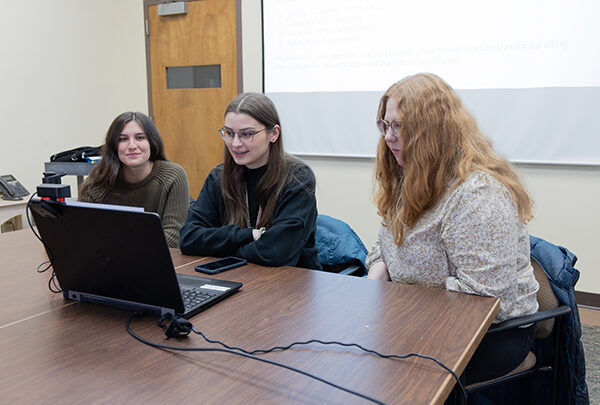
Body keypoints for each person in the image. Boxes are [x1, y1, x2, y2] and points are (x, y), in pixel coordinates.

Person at [366, 73, 539, 384]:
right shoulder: (411, 178)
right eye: (385, 125)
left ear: (431, 131)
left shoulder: (477, 194)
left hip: (491, 334)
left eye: (399, 126)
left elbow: (485, 301)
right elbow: (385, 244)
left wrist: (405, 306)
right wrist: (378, 268)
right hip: (417, 316)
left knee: (390, 376)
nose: (388, 137)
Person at [179, 92, 321, 269]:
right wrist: (250, 235)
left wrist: (221, 248)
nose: (235, 143)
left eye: (247, 134)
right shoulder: (219, 176)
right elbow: (189, 238)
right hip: (238, 275)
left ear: (273, 134)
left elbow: (276, 253)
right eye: (229, 133)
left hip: (292, 283)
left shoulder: (297, 177)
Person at [79, 112, 190, 248]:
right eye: (123, 139)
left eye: (140, 137)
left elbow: (173, 239)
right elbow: (83, 235)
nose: (132, 145)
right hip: (108, 263)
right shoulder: (98, 181)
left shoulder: (173, 176)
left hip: (156, 262)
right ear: (113, 145)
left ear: (152, 141)